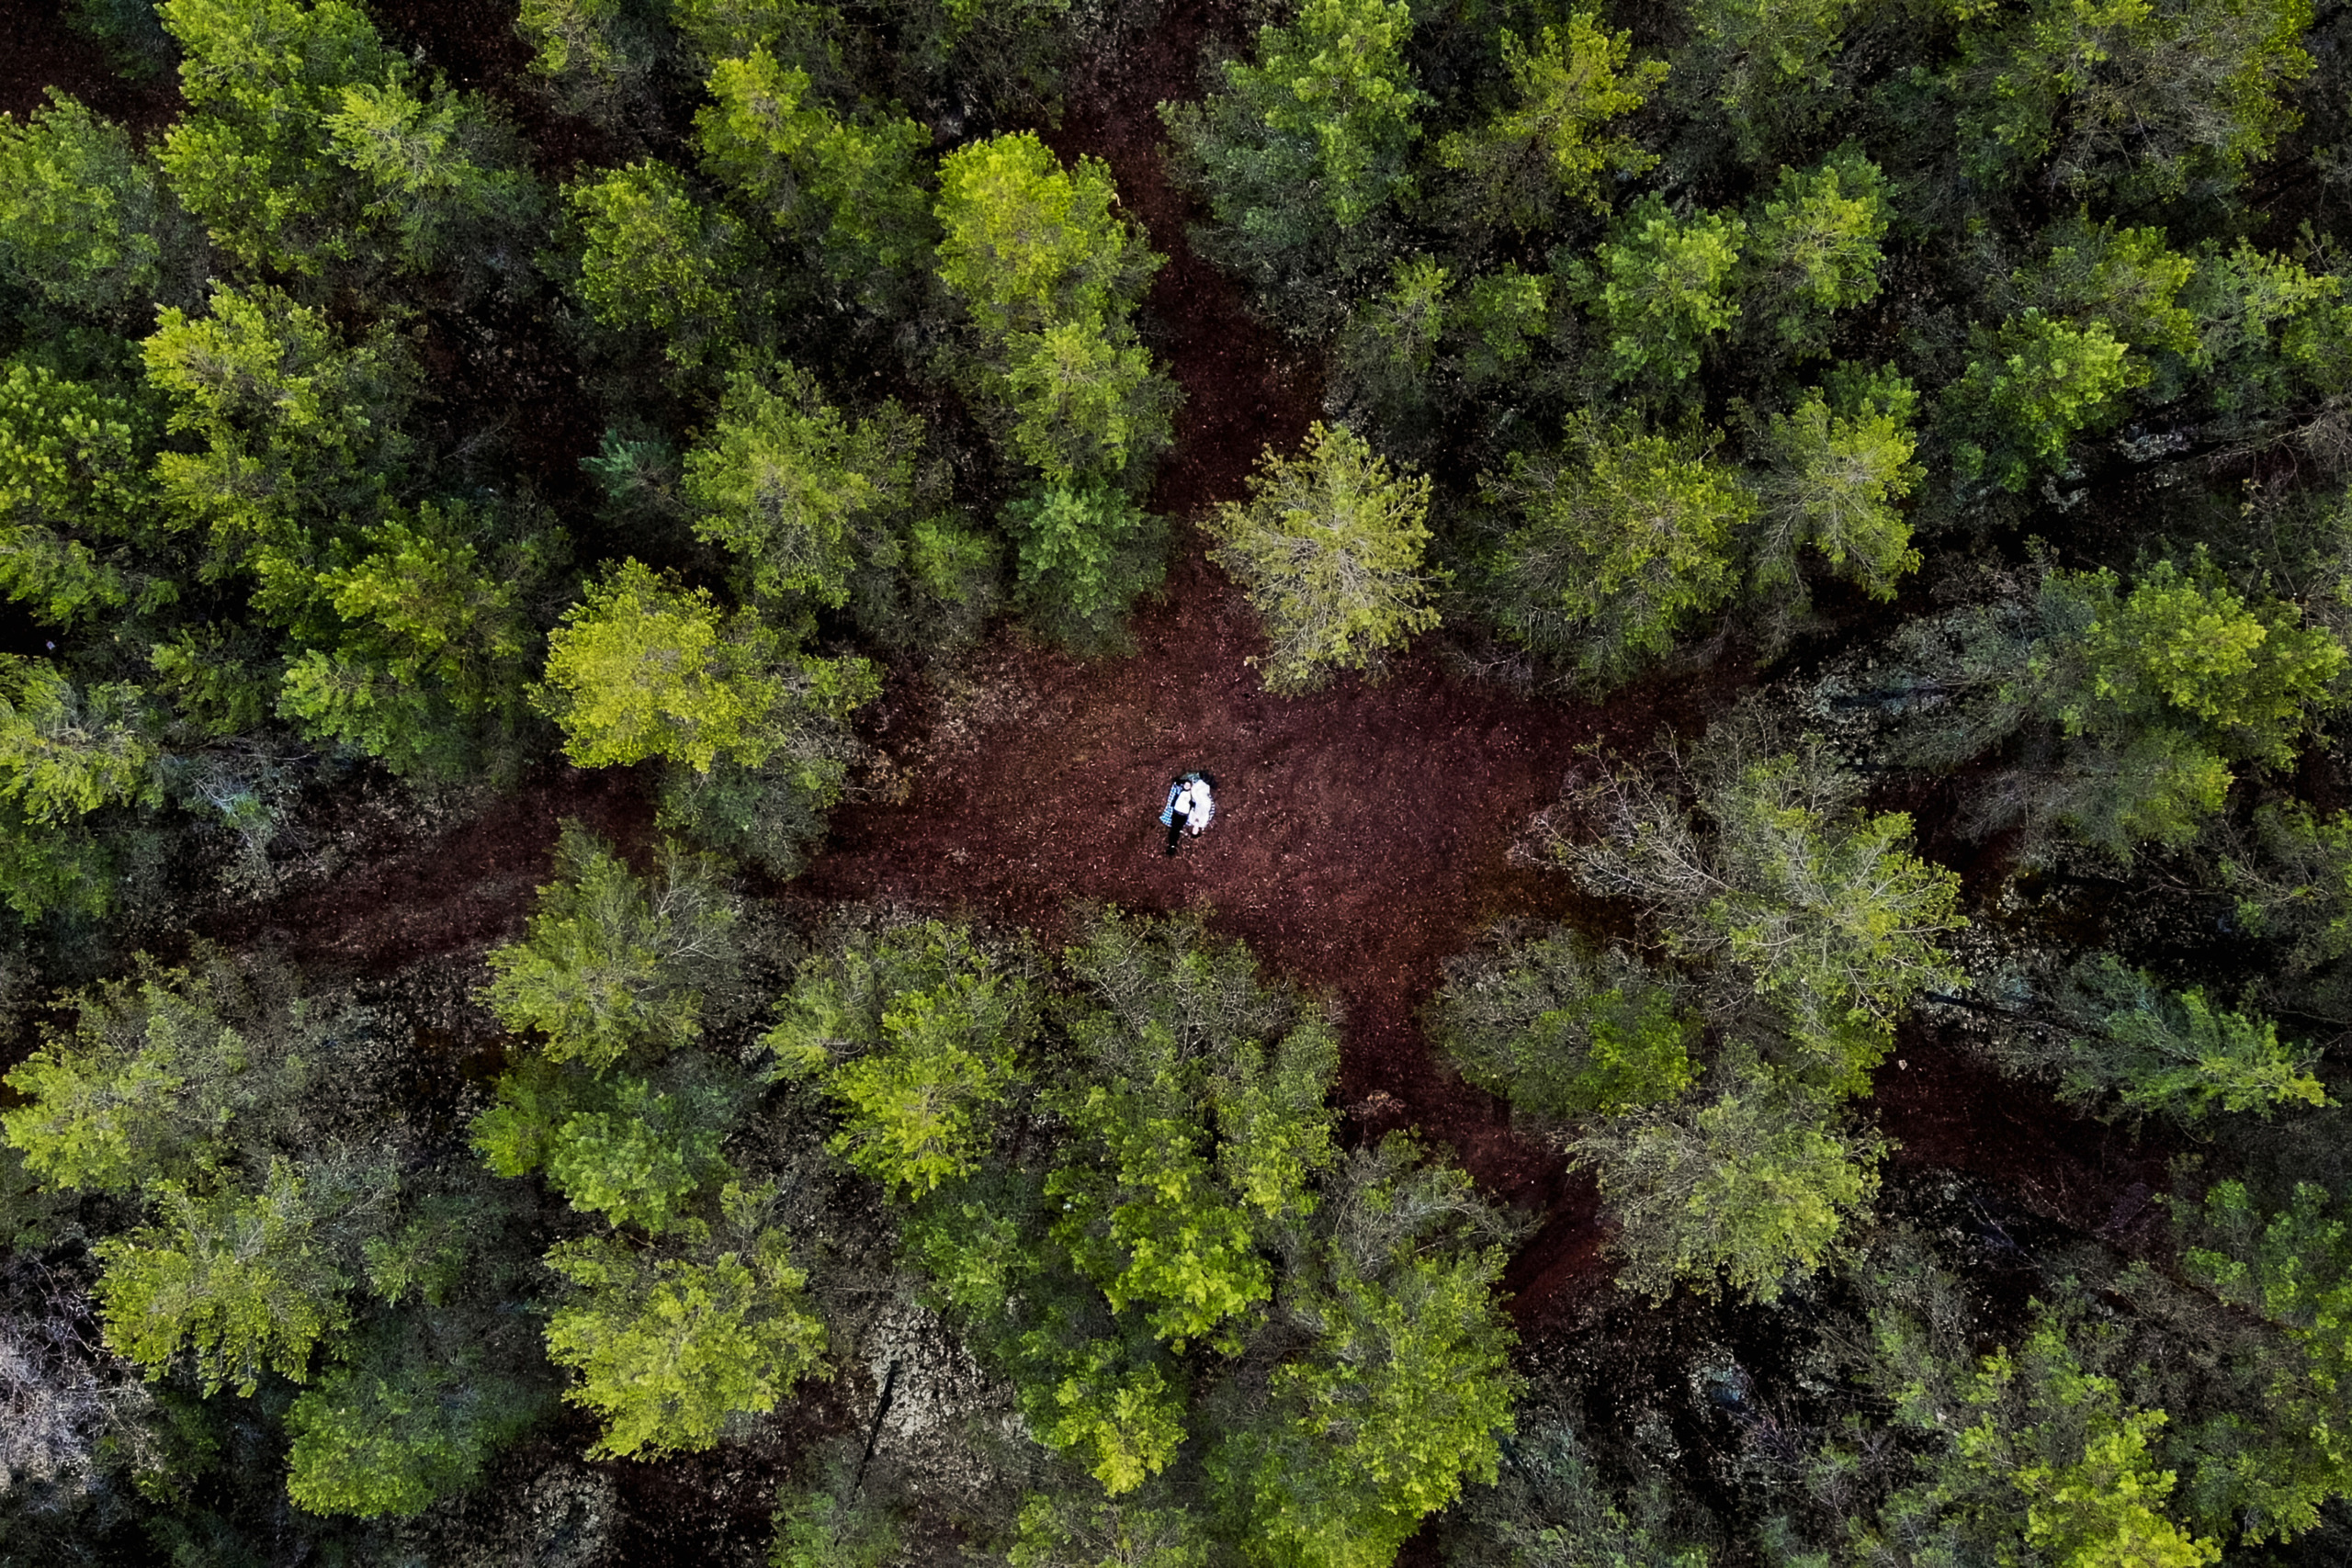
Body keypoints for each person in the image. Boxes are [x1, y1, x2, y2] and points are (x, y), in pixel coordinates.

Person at [1160, 771, 1216, 855]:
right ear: (1199, 830)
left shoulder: (1191, 821)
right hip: (1204, 805)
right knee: (1198, 793)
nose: (1195, 829)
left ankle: (1205, 781)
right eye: (1196, 830)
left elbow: (1191, 810)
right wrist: (1198, 820)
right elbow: (1206, 813)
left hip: (1190, 806)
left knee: (1194, 791)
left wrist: (1193, 810)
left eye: (1193, 830)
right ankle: (1207, 782)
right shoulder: (1203, 823)